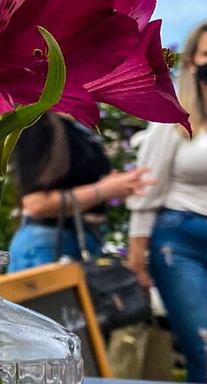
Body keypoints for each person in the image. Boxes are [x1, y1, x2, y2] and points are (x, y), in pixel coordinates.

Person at [128, 22, 207, 383]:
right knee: (206, 347)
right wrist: (137, 258)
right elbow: (147, 188)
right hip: (180, 241)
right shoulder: (175, 115)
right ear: (192, 61)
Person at [8, 112, 153, 271]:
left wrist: (113, 185)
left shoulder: (75, 125)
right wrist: (104, 190)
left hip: (81, 240)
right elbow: (36, 204)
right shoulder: (39, 125)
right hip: (48, 247)